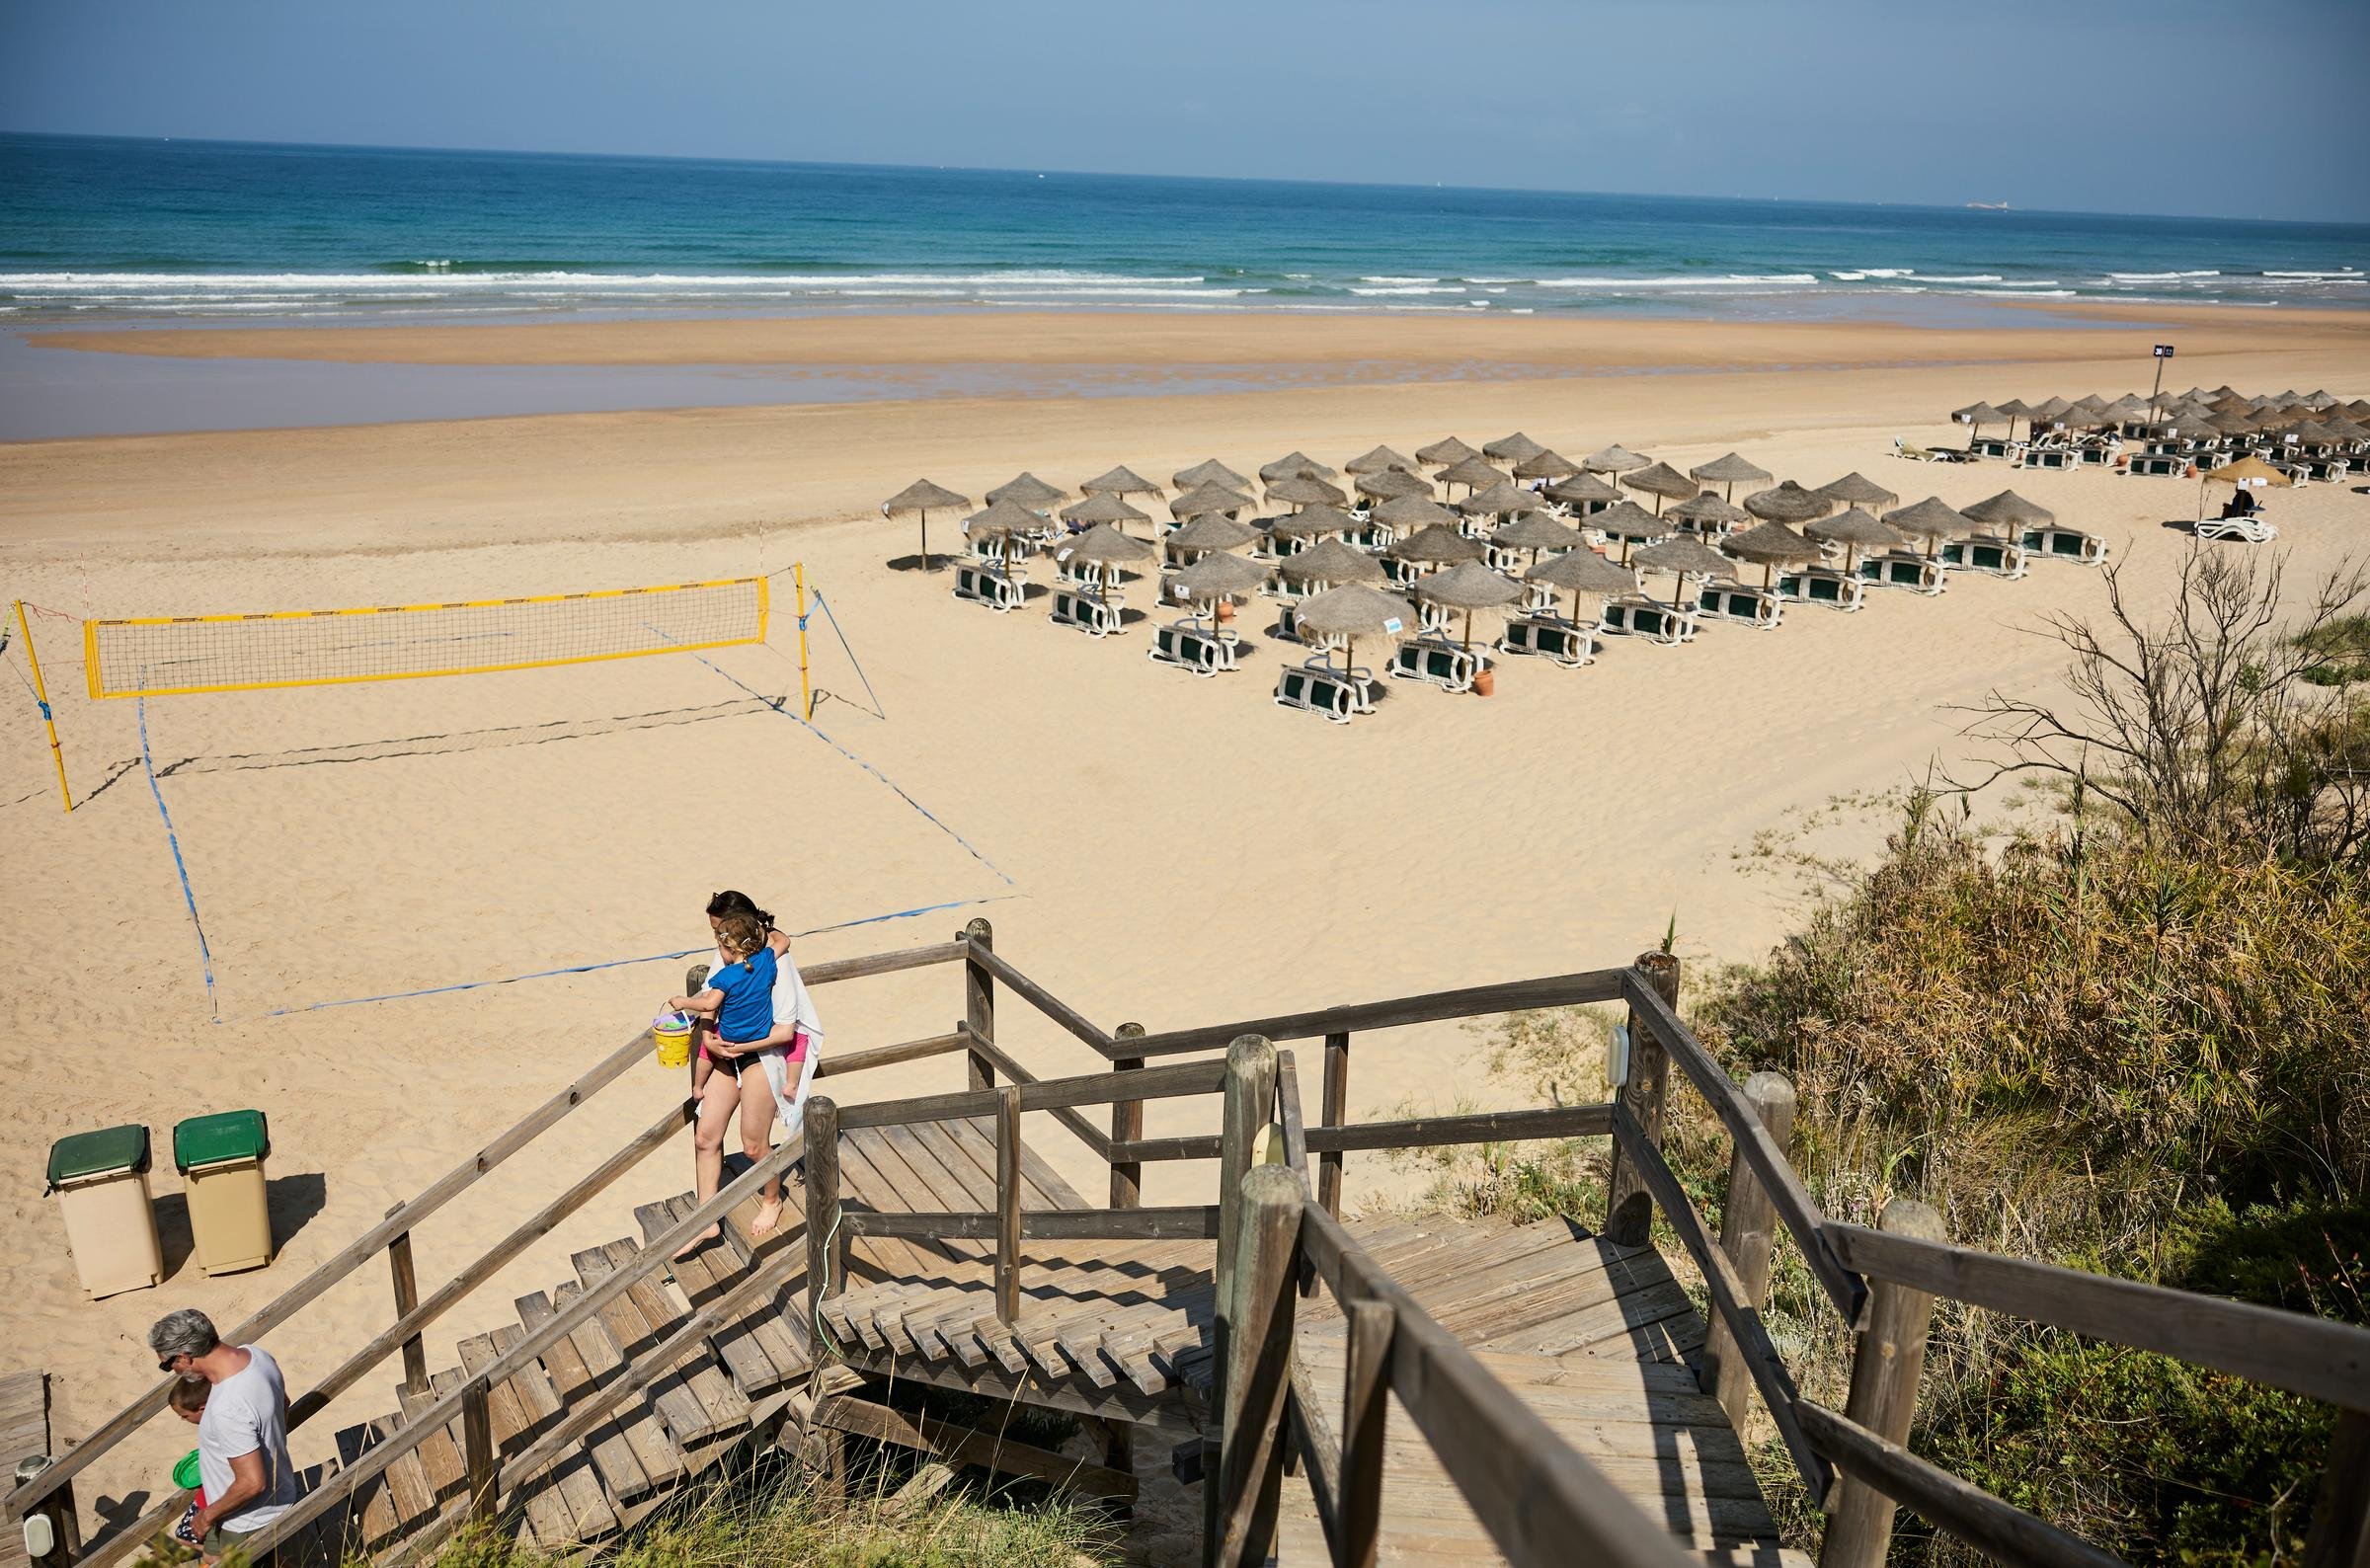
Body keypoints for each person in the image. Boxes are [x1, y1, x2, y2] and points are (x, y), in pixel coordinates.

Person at [681, 891, 825, 1246]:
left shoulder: (777, 962)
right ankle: (706, 1219)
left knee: (753, 1145)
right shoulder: (727, 950)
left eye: (720, 930)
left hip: (762, 1054)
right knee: (705, 1137)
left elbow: (785, 1031)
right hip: (726, 1051)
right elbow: (710, 1001)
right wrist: (708, 1037)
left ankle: (772, 1199)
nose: (717, 939)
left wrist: (739, 1047)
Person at [148, 1308, 296, 1565]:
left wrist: (206, 1516)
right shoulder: (257, 1356)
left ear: (183, 1357)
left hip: (245, 1517)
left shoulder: (228, 1407)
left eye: (167, 1365)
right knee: (211, 1557)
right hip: (267, 1496)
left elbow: (252, 1483)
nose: (173, 1371)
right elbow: (284, 1404)